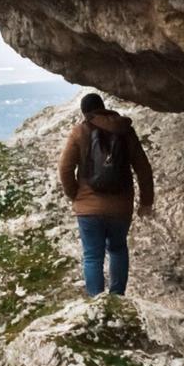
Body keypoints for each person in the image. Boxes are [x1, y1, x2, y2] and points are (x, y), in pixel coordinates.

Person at [58, 92, 154, 297]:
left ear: (85, 113)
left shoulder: (80, 132)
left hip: (88, 208)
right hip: (121, 207)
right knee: (118, 249)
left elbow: (65, 169)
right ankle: (117, 297)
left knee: (93, 256)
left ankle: (97, 302)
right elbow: (143, 169)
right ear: (103, 107)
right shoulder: (125, 132)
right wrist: (146, 202)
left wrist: (75, 195)